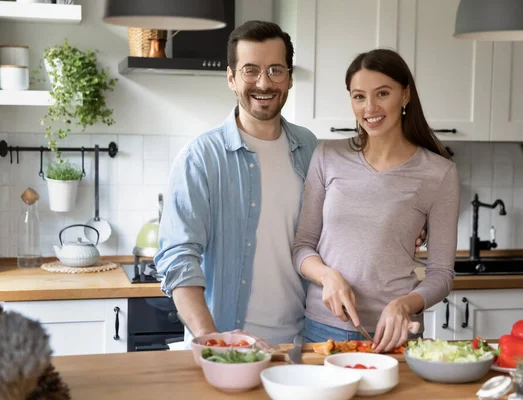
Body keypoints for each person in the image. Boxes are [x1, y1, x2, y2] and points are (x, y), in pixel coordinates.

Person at [155, 21, 426, 347]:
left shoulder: (310, 147)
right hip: (230, 341)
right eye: (250, 71)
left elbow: (338, 223)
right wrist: (211, 339)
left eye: (275, 70)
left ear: (290, 77)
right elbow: (178, 257)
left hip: (304, 339)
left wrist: (403, 225)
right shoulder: (201, 157)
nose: (264, 82)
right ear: (231, 78)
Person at [293, 48, 459, 353]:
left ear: (405, 95)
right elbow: (302, 245)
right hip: (321, 328)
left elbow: (441, 274)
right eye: (359, 96)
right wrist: (327, 276)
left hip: (393, 334)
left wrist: (404, 305)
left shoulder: (439, 172)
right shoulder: (327, 155)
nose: (370, 107)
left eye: (382, 93)